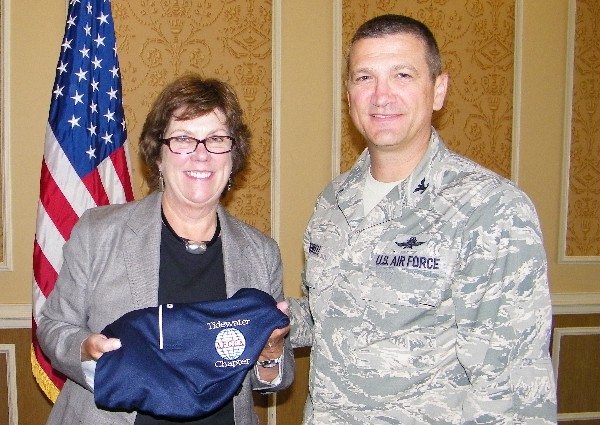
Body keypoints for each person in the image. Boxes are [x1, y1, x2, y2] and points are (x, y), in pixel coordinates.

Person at [287, 14, 557, 424]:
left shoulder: (489, 209)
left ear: (438, 89)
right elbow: (332, 314)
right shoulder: (333, 201)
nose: (381, 95)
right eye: (364, 78)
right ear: (349, 94)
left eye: (402, 75)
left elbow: (512, 390)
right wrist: (270, 318)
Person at [37, 74, 293, 425]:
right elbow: (54, 325)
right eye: (184, 139)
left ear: (233, 156)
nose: (201, 155)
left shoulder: (260, 252)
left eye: (217, 139)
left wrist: (271, 351)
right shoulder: (99, 232)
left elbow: (270, 379)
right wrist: (85, 350)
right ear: (158, 155)